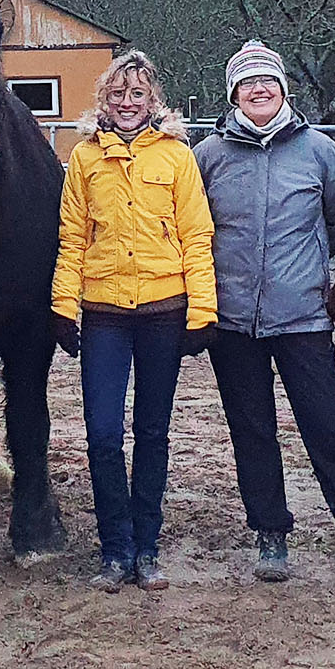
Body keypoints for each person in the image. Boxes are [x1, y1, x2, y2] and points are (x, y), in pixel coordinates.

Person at [194, 41, 335, 589]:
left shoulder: (318, 151)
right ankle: (270, 533)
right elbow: (197, 228)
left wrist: (309, 273)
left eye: (267, 81)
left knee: (328, 426)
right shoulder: (208, 155)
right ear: (233, 93)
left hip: (302, 315)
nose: (258, 90)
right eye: (247, 83)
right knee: (251, 430)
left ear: (283, 88)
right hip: (233, 320)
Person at [52, 50, 218, 592]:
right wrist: (62, 305)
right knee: (102, 434)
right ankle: (114, 548)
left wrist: (203, 309)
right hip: (103, 313)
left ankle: (147, 546)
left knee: (152, 432)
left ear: (154, 101)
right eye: (118, 94)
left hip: (164, 311)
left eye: (138, 94)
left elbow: (196, 234)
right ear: (105, 99)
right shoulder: (84, 158)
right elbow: (73, 236)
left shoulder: (176, 157)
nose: (127, 103)